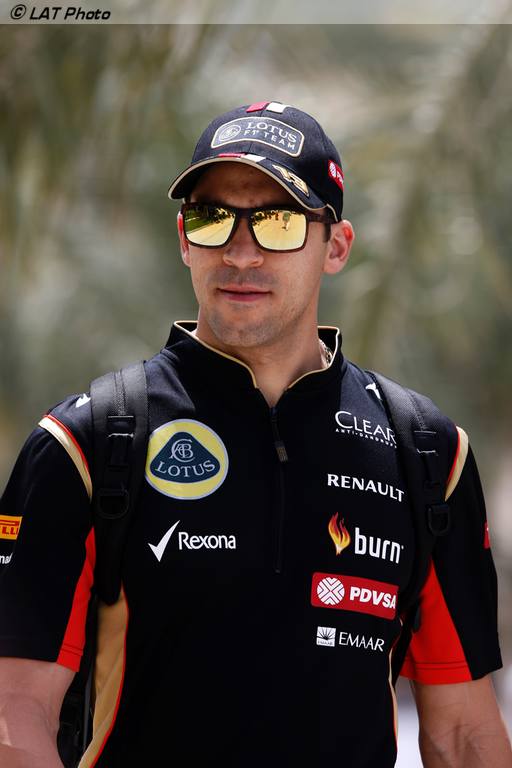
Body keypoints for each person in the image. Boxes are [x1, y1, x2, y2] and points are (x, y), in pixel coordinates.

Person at [0, 101, 510, 768]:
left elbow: (465, 734)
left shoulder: (430, 453)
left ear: (336, 246)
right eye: (212, 219)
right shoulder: (86, 443)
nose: (240, 252)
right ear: (184, 239)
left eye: (278, 221)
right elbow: (16, 711)